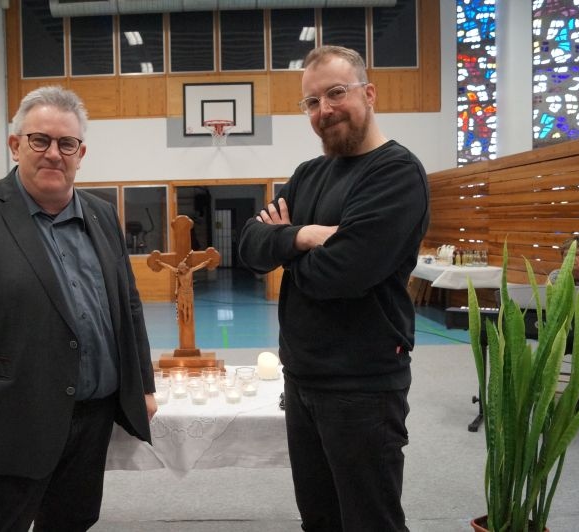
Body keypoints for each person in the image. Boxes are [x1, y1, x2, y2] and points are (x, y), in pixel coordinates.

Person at [0, 85, 157, 531]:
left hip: (92, 417)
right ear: (15, 145)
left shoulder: (102, 214)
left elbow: (128, 304)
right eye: (39, 140)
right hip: (9, 422)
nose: (53, 154)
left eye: (66, 143)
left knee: (72, 521)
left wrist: (142, 384)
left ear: (81, 153)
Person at [238, 45, 429, 532]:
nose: (324, 109)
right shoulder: (308, 174)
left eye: (336, 93)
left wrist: (284, 250)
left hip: (362, 386)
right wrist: (303, 236)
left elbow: (342, 273)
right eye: (312, 101)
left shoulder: (396, 173)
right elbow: (249, 247)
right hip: (302, 378)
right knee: (319, 519)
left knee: (369, 521)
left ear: (369, 93)